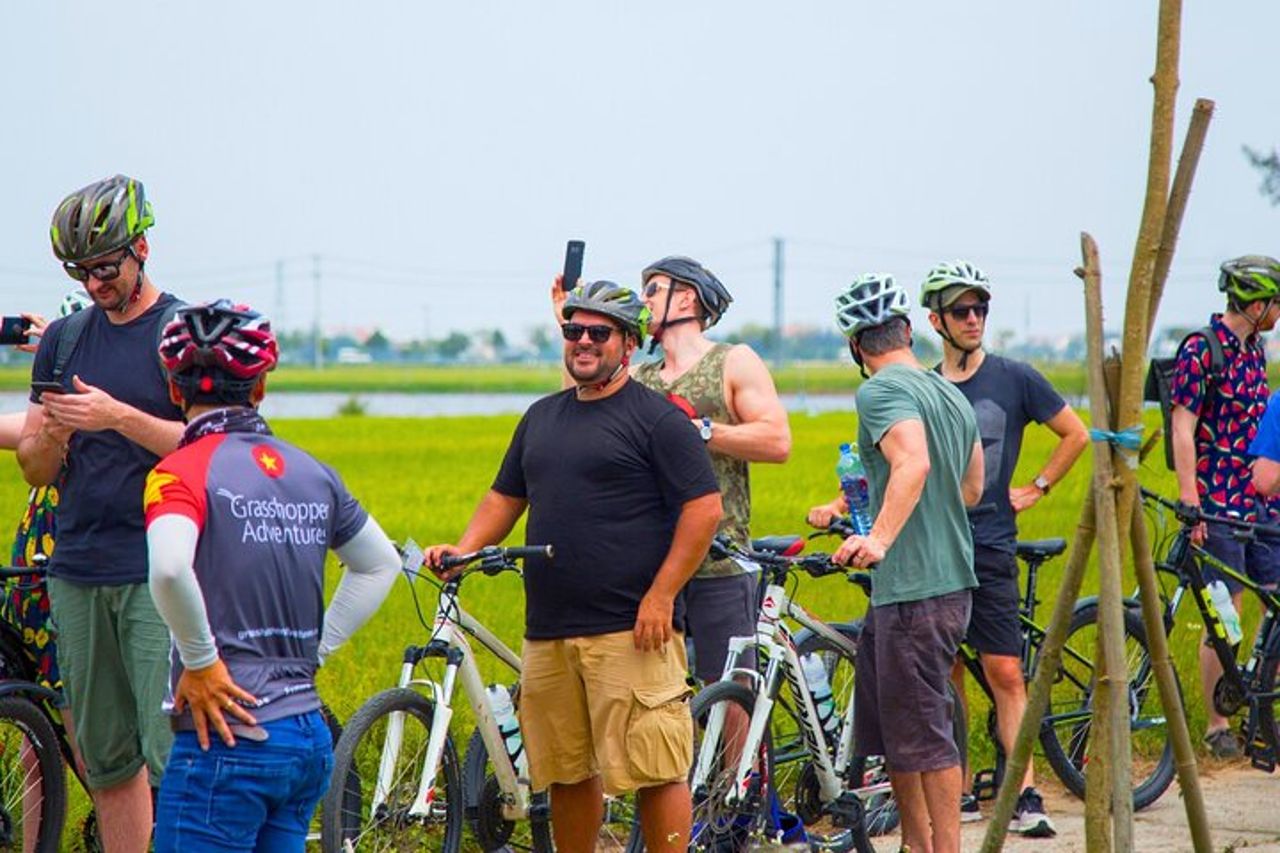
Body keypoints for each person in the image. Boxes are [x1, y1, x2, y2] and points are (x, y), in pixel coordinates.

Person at [429, 280, 722, 853]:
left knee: (655, 767)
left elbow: (704, 509)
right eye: (573, 330)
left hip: (632, 627)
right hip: (551, 628)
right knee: (564, 769)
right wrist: (463, 550)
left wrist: (662, 595)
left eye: (598, 332)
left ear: (629, 344)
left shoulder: (657, 419)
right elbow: (504, 498)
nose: (583, 341)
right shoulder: (541, 417)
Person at [143, 300, 399, 852]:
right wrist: (316, 653)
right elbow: (381, 565)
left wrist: (201, 660)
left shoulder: (179, 470)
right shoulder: (313, 473)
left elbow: (167, 568)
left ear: (173, 388)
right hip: (304, 732)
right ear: (259, 388)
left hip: (224, 737)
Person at [16, 174, 186, 852]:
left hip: (157, 570)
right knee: (108, 756)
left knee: (172, 752)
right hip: (77, 568)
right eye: (81, 271)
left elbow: (212, 444)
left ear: (140, 247)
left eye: (105, 267)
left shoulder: (180, 333)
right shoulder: (63, 340)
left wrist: (117, 417)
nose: (94, 283)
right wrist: (54, 434)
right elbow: (37, 467)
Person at [552, 256, 789, 683]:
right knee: (658, 694)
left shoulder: (732, 361)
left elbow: (776, 441)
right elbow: (583, 408)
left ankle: (744, 755)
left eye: (653, 290)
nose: (643, 300)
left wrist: (695, 431)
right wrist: (571, 330)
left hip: (719, 559)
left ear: (686, 298)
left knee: (730, 692)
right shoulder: (639, 376)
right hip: (650, 566)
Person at [918, 260, 1085, 835]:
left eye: (980, 309)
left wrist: (1036, 488)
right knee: (946, 675)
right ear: (935, 319)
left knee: (1006, 672)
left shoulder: (1015, 377)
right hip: (937, 548)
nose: (973, 319)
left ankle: (1025, 790)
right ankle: (959, 789)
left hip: (991, 544)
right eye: (961, 311)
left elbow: (1076, 433)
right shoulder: (925, 386)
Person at [820, 273, 983, 853]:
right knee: (901, 735)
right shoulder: (949, 393)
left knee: (927, 735)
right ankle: (916, 843)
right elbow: (971, 488)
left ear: (857, 346)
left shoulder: (879, 391)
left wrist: (881, 539)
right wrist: (856, 505)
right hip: (943, 584)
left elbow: (911, 463)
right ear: (909, 331)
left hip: (915, 588)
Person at [1170, 254, 1280, 759]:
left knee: (1274, 598)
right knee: (1224, 609)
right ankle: (1217, 725)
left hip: (1260, 499)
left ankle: (1259, 703)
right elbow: (1183, 426)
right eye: (1275, 302)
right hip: (1217, 500)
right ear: (1256, 303)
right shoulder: (1201, 349)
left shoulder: (1255, 351)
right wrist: (1190, 497)